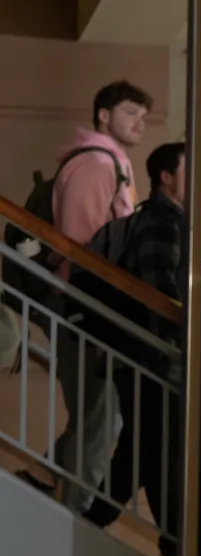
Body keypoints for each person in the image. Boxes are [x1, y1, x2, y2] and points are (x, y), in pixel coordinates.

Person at [16, 80, 152, 510]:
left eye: (144, 117)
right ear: (104, 116)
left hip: (82, 305)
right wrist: (95, 305)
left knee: (99, 413)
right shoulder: (97, 164)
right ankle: (73, 509)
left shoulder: (112, 163)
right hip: (80, 306)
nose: (140, 123)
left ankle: (46, 480)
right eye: (131, 113)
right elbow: (79, 245)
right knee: (101, 414)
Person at [81, 142, 187, 555]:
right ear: (166, 176)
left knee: (147, 450)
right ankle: (171, 543)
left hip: (143, 358)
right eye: (187, 170)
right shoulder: (163, 223)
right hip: (152, 358)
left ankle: (171, 542)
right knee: (153, 450)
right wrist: (185, 339)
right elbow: (159, 289)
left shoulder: (158, 220)